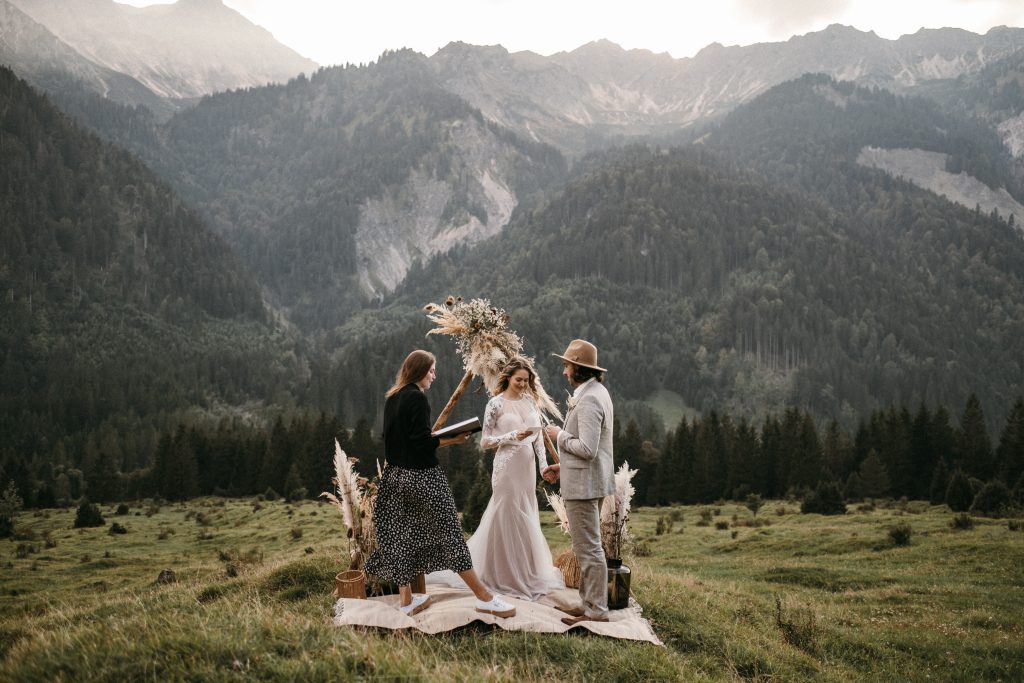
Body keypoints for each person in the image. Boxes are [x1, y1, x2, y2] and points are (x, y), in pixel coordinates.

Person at [364, 350, 516, 618]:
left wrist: (432, 437)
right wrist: (451, 439)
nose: (434, 376)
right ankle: (484, 597)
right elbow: (422, 443)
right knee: (450, 535)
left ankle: (407, 600)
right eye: (432, 371)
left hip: (394, 478)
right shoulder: (417, 398)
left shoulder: (393, 397)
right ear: (421, 371)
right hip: (423, 477)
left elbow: (395, 438)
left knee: (402, 538)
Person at [430, 357, 564, 599]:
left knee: (526, 512)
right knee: (506, 513)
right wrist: (512, 434)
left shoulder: (532, 403)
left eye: (526, 380)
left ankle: (525, 572)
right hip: (506, 466)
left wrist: (544, 467)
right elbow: (485, 441)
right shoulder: (495, 404)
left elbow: (538, 441)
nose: (523, 384)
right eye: (518, 380)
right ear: (508, 378)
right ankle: (500, 574)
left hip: (527, 468)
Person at [542, 339, 615, 626]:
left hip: (584, 487)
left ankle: (596, 610)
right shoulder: (596, 392)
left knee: (589, 548)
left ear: (579, 369)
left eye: (567, 365)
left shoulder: (590, 399)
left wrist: (558, 435)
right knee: (587, 546)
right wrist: (563, 466)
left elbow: (587, 448)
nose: (564, 371)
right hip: (587, 479)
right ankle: (588, 604)